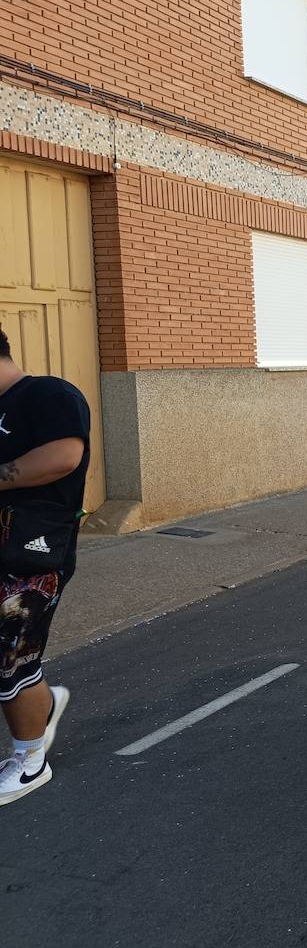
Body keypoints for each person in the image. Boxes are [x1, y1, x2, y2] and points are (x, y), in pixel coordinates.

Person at [0, 325, 88, 806]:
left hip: (31, 554)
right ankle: (45, 705)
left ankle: (31, 760)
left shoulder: (49, 394)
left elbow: (61, 457)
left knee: (10, 659)